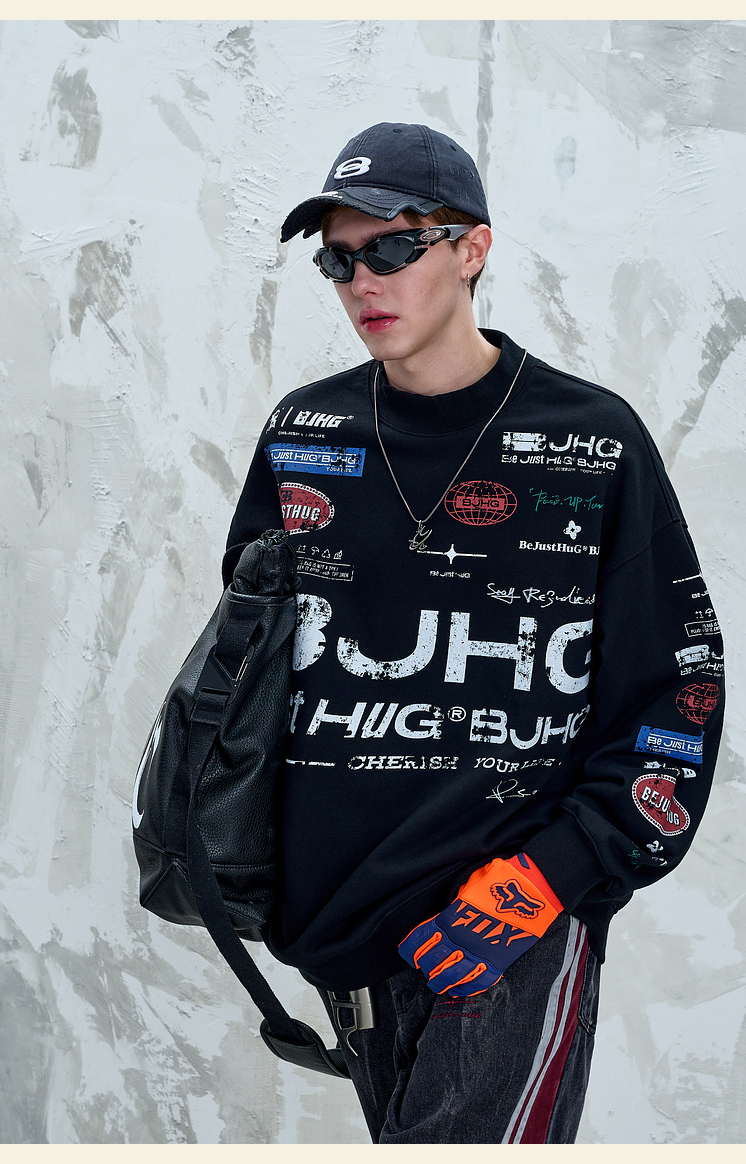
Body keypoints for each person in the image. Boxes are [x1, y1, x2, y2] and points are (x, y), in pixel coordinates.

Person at [222, 122, 725, 1144]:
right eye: (339, 260)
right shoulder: (306, 436)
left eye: (393, 247)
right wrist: (250, 866)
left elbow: (680, 685)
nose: (364, 280)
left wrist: (552, 877)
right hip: (340, 926)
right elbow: (246, 676)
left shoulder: (592, 441)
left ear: (472, 250)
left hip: (505, 920)